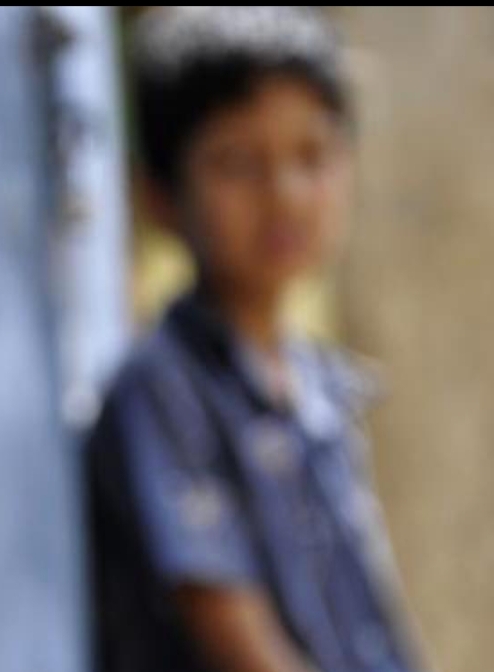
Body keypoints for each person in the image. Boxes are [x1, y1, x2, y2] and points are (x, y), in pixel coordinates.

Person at [86, 7, 427, 672]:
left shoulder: (322, 388)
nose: (286, 194)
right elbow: (239, 642)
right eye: (239, 164)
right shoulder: (162, 390)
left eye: (312, 155)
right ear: (159, 195)